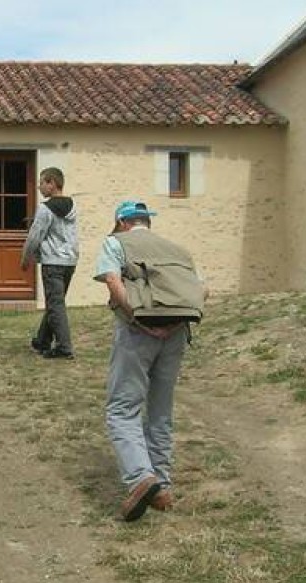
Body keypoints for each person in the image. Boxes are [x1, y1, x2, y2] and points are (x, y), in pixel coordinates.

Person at [95, 201, 204, 521]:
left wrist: (140, 320)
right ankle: (163, 485)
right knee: (160, 408)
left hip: (138, 333)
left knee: (122, 408)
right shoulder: (179, 251)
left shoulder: (115, 242)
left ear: (122, 222)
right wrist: (169, 326)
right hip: (176, 334)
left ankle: (141, 477)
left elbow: (114, 284)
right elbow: (201, 291)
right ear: (146, 222)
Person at [21, 167, 78, 359]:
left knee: (55, 304)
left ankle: (64, 347)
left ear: (52, 183)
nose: (38, 186)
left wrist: (25, 257)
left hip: (53, 262)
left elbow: (35, 236)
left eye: (42, 182)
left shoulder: (45, 209)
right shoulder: (73, 206)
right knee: (56, 303)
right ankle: (42, 341)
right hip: (70, 261)